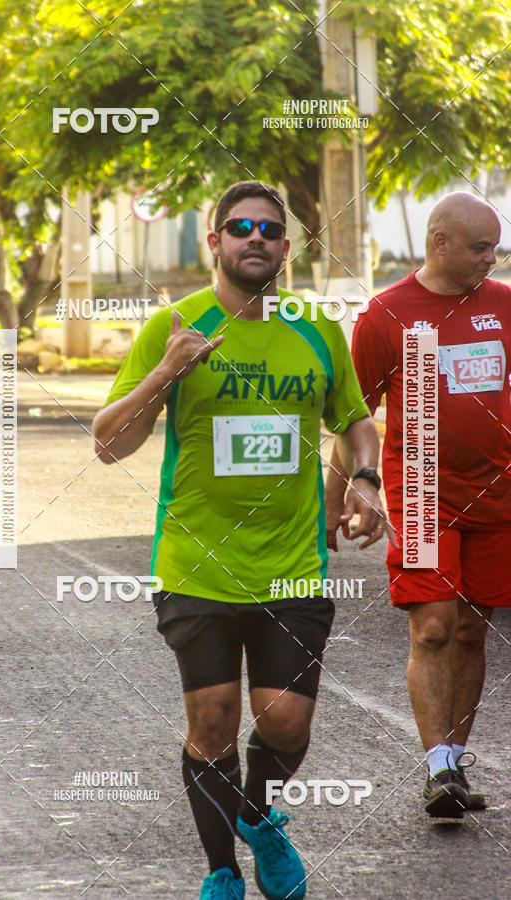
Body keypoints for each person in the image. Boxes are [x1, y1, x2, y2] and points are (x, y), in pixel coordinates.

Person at [93, 180, 390, 900]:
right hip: (196, 563)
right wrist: (168, 372)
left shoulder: (314, 327)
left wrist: (366, 479)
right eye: (240, 227)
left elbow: (354, 419)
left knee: (285, 722)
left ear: (286, 247)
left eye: (269, 229)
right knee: (214, 723)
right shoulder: (175, 326)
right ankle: (221, 871)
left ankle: (258, 815)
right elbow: (107, 444)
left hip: (292, 562)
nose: (255, 237)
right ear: (215, 241)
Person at [326, 191, 511, 819]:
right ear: (440, 243)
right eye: (480, 248)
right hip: (423, 491)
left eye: (495, 248)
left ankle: (454, 762)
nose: (491, 259)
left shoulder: (504, 305)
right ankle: (437, 769)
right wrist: (338, 497)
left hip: (497, 495)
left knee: (472, 629)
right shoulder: (387, 315)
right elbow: (353, 418)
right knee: (433, 626)